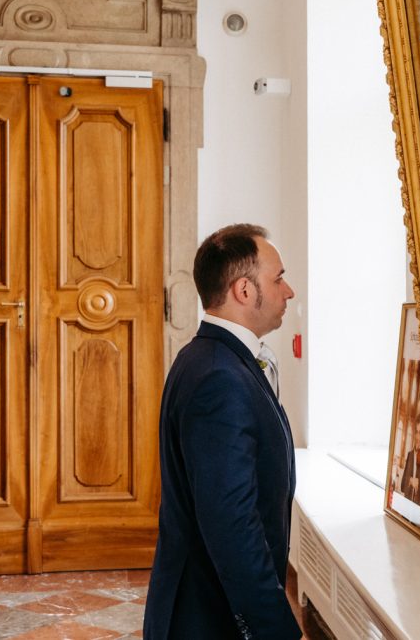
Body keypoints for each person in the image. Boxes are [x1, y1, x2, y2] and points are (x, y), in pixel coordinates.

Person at [143, 224, 301, 639]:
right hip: (207, 618)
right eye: (279, 278)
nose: (289, 292)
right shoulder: (220, 376)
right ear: (244, 291)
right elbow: (232, 523)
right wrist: (275, 629)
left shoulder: (210, 357)